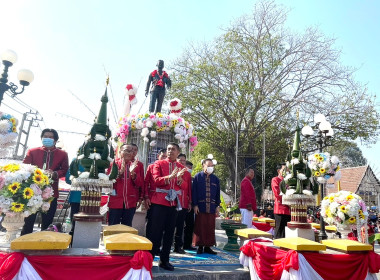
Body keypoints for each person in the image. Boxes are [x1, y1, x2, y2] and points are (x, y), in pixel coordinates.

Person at [21, 128, 69, 235]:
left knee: (47, 223)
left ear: (55, 140)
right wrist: (35, 172)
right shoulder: (32, 151)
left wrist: (55, 173)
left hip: (51, 193)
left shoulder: (62, 154)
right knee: (28, 221)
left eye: (50, 137)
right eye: (45, 136)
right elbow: (24, 167)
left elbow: (65, 170)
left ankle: (43, 245)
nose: (47, 138)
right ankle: (24, 245)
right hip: (32, 192)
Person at [149, 142, 189, 271]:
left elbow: (185, 187)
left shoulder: (181, 167)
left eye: (173, 149)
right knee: (155, 232)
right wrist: (170, 177)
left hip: (173, 204)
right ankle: (149, 259)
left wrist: (179, 180)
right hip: (159, 203)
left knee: (170, 233)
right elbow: (156, 180)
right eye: (169, 149)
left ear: (178, 152)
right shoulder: (159, 164)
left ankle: (164, 260)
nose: (170, 151)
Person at [108, 144, 144, 226]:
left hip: (130, 202)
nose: (129, 153)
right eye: (126, 151)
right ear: (120, 152)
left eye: (131, 151)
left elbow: (140, 184)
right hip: (115, 201)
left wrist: (133, 175)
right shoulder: (113, 164)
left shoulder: (137, 165)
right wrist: (119, 174)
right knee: (113, 226)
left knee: (127, 227)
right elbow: (108, 182)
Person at [192, 158, 220, 255]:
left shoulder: (216, 179)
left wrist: (217, 206)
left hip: (212, 206)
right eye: (208, 166)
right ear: (203, 166)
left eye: (212, 166)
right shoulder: (197, 177)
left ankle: (208, 247)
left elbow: (217, 194)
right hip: (201, 206)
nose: (210, 168)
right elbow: (194, 192)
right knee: (200, 226)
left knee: (210, 227)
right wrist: (195, 205)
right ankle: (200, 246)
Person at [144, 148, 167, 238]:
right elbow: (146, 183)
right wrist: (146, 197)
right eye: (163, 156)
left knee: (163, 222)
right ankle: (149, 242)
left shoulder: (170, 168)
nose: (164, 158)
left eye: (166, 157)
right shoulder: (151, 167)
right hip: (153, 198)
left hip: (166, 199)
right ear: (158, 156)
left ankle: (158, 244)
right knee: (152, 221)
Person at [173, 154, 192, 254]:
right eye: (180, 160)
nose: (182, 162)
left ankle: (178, 246)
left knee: (180, 226)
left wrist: (189, 202)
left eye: (184, 160)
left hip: (183, 203)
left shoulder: (187, 174)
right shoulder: (172, 170)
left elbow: (189, 189)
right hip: (172, 202)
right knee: (170, 225)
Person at [271, 163, 291, 239]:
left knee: (287, 233)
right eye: (284, 170)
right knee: (280, 232)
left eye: (287, 170)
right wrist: (288, 202)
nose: (286, 171)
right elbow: (277, 193)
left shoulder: (289, 181)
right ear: (279, 171)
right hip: (280, 209)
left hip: (289, 209)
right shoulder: (275, 179)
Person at [183, 160, 196, 251]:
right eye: (188, 168)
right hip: (181, 204)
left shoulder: (193, 179)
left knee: (190, 226)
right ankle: (178, 244)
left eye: (191, 168)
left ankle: (188, 244)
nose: (189, 170)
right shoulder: (181, 177)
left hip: (190, 205)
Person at [131, 143, 145, 207]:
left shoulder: (139, 164)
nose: (133, 151)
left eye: (135, 150)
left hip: (133, 196)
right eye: (131, 149)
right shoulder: (118, 162)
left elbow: (142, 181)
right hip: (119, 197)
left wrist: (141, 197)